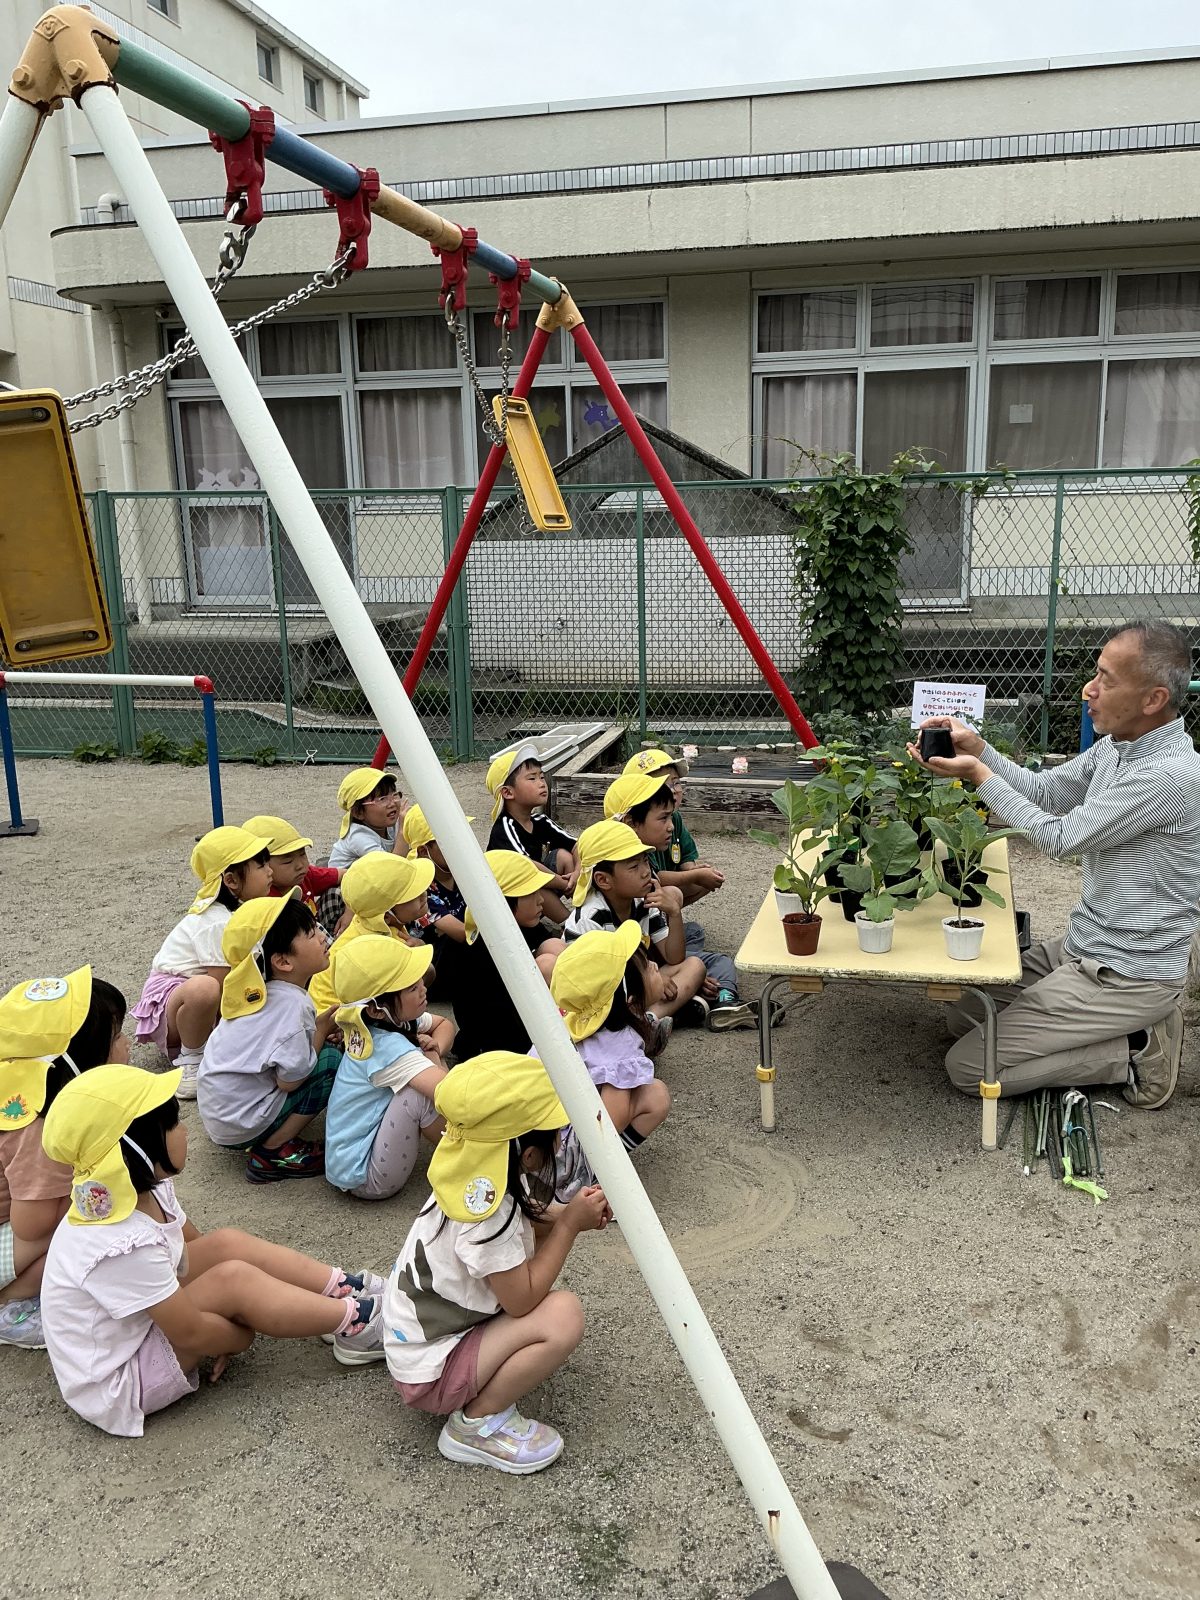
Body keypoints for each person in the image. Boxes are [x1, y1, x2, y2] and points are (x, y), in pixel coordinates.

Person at [912, 620, 1200, 1105]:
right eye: (1096, 672)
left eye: (1106, 679)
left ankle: (1134, 1050)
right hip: (1082, 948)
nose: (1090, 689)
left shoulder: (1168, 776)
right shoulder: (1118, 747)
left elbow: (1060, 838)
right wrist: (979, 749)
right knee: (964, 1007)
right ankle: (1096, 1028)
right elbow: (1045, 792)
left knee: (969, 1068)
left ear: (1153, 699)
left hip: (1127, 973)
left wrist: (980, 776)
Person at [39, 1065, 385, 1437]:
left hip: (139, 1323)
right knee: (234, 1281)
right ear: (136, 1149)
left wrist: (229, 1306)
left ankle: (342, 1289)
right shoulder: (120, 1244)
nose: (185, 1130)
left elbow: (194, 1248)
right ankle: (357, 1323)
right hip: (121, 1379)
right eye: (173, 1125)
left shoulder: (140, 1191)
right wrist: (238, 1334)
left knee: (226, 1245)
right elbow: (190, 1332)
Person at [382, 1050, 610, 1474]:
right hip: (430, 1372)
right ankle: (475, 1425)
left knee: (545, 1295)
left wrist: (570, 1213)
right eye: (556, 1133)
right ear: (528, 1155)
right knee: (563, 1316)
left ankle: (474, 1394)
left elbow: (526, 1218)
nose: (561, 1140)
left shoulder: (474, 1178)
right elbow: (522, 1300)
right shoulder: (489, 1218)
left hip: (417, 1345)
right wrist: (568, 1227)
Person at [0, 968, 127, 1349]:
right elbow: (32, 1226)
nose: (127, 1044)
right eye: (116, 1038)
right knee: (89, 1238)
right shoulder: (38, 1127)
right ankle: (10, 1301)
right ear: (74, 1063)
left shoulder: (16, 1087)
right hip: (15, 1231)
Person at [197, 892, 338, 1182]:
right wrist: (322, 1030)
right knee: (331, 1063)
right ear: (283, 961)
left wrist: (318, 1028)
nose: (322, 936)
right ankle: (273, 1151)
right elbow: (289, 1081)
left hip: (221, 1116)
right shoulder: (293, 1005)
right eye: (311, 934)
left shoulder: (253, 993)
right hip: (241, 1125)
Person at [130, 824, 274, 1099]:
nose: (270, 871)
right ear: (231, 880)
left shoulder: (240, 912)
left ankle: (211, 1043)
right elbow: (223, 984)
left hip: (197, 1006)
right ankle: (192, 1058)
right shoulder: (216, 921)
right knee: (206, 988)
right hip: (175, 1003)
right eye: (261, 865)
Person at [605, 772, 754, 1031]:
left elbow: (667, 952)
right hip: (622, 984)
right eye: (663, 818)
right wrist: (662, 976)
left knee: (694, 937)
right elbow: (621, 961)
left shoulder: (644, 878)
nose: (670, 825)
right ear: (630, 822)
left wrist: (675, 911)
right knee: (707, 964)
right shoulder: (615, 889)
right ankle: (708, 1002)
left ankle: (705, 1001)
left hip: (649, 965)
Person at [325, 935, 452, 1201]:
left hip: (350, 1162)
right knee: (418, 1095)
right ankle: (467, 1155)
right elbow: (449, 1093)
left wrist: (435, 1048)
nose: (423, 988)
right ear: (375, 1009)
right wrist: (433, 1057)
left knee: (425, 1074)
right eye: (411, 987)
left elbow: (444, 1025)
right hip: (366, 1176)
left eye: (420, 980)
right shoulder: (386, 1047)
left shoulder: (383, 1022)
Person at [548, 924, 671, 1196]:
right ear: (630, 1000)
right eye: (646, 967)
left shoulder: (575, 1017)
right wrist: (626, 1082)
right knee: (656, 1096)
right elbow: (611, 1121)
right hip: (558, 1157)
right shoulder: (620, 1042)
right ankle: (595, 1177)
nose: (654, 965)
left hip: (539, 1138)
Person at [565, 820, 706, 1026]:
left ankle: (649, 1020)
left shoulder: (643, 902)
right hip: (599, 993)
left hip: (634, 985)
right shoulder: (591, 917)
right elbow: (595, 982)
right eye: (633, 866)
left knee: (695, 966)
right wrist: (648, 980)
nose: (646, 871)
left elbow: (674, 958)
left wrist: (674, 913)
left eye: (645, 861)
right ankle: (652, 1017)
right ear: (603, 880)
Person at [453, 851, 565, 1061]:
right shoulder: (482, 952)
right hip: (499, 1044)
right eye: (531, 893)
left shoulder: (526, 926)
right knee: (547, 963)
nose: (541, 899)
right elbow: (490, 1021)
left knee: (554, 946)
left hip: (523, 1022)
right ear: (502, 902)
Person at [309, 851, 436, 1014]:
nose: (423, 894)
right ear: (386, 916)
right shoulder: (381, 945)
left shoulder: (371, 921)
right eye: (412, 895)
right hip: (339, 1020)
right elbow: (426, 976)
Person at [485, 743, 578, 925]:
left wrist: (577, 872)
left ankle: (589, 912)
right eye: (532, 778)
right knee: (534, 881)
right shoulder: (505, 827)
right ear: (508, 792)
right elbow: (527, 866)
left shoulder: (540, 821)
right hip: (509, 901)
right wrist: (562, 883)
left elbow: (577, 845)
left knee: (564, 856)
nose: (542, 783)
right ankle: (570, 925)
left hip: (534, 894)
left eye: (541, 777)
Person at [623, 747, 725, 906]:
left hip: (660, 885)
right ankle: (658, 917)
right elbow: (653, 876)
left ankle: (666, 915)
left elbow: (686, 855)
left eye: (676, 783)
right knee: (675, 892)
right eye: (663, 786)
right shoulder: (633, 828)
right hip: (638, 890)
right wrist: (694, 876)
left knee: (708, 879)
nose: (673, 790)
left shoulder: (674, 818)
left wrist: (692, 870)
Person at [403, 803, 469, 1000]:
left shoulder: (461, 870)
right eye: (448, 840)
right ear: (424, 851)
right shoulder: (420, 888)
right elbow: (462, 933)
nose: (458, 844)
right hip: (436, 970)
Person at [243, 813, 342, 938]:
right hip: (289, 944)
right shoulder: (263, 899)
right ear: (263, 865)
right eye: (288, 861)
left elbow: (348, 875)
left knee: (338, 893)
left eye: (302, 854)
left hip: (314, 937)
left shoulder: (305, 875)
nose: (300, 865)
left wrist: (350, 910)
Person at [328, 768, 409, 872]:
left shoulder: (387, 823)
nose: (392, 803)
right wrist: (403, 829)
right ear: (358, 813)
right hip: (344, 881)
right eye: (382, 799)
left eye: (394, 795)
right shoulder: (358, 837)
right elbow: (394, 868)